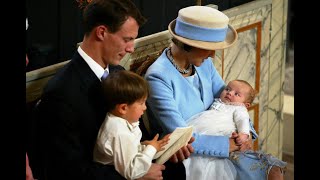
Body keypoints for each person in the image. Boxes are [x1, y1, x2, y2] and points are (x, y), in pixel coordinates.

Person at [29, 0, 192, 179]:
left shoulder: (118, 72)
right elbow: (66, 170)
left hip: (130, 165)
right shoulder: (61, 92)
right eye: (127, 39)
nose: (131, 49)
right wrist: (137, 174)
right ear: (101, 33)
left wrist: (160, 149)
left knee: (180, 170)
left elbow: (133, 136)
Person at [144, 5, 285, 180]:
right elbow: (181, 135)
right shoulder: (158, 77)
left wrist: (245, 134)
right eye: (209, 47)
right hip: (189, 154)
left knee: (275, 172)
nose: (212, 55)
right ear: (189, 45)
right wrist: (229, 144)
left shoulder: (204, 64)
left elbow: (232, 102)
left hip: (223, 139)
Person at [183, 79, 287, 180]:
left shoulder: (239, 108)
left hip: (220, 131)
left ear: (245, 105)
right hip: (202, 128)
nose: (229, 93)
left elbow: (243, 120)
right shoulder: (218, 101)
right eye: (227, 89)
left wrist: (244, 134)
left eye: (237, 94)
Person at [93, 70, 170, 179]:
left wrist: (144, 147)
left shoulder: (122, 120)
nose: (145, 107)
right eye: (141, 103)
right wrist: (151, 149)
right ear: (123, 108)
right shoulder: (119, 132)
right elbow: (131, 171)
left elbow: (128, 150)